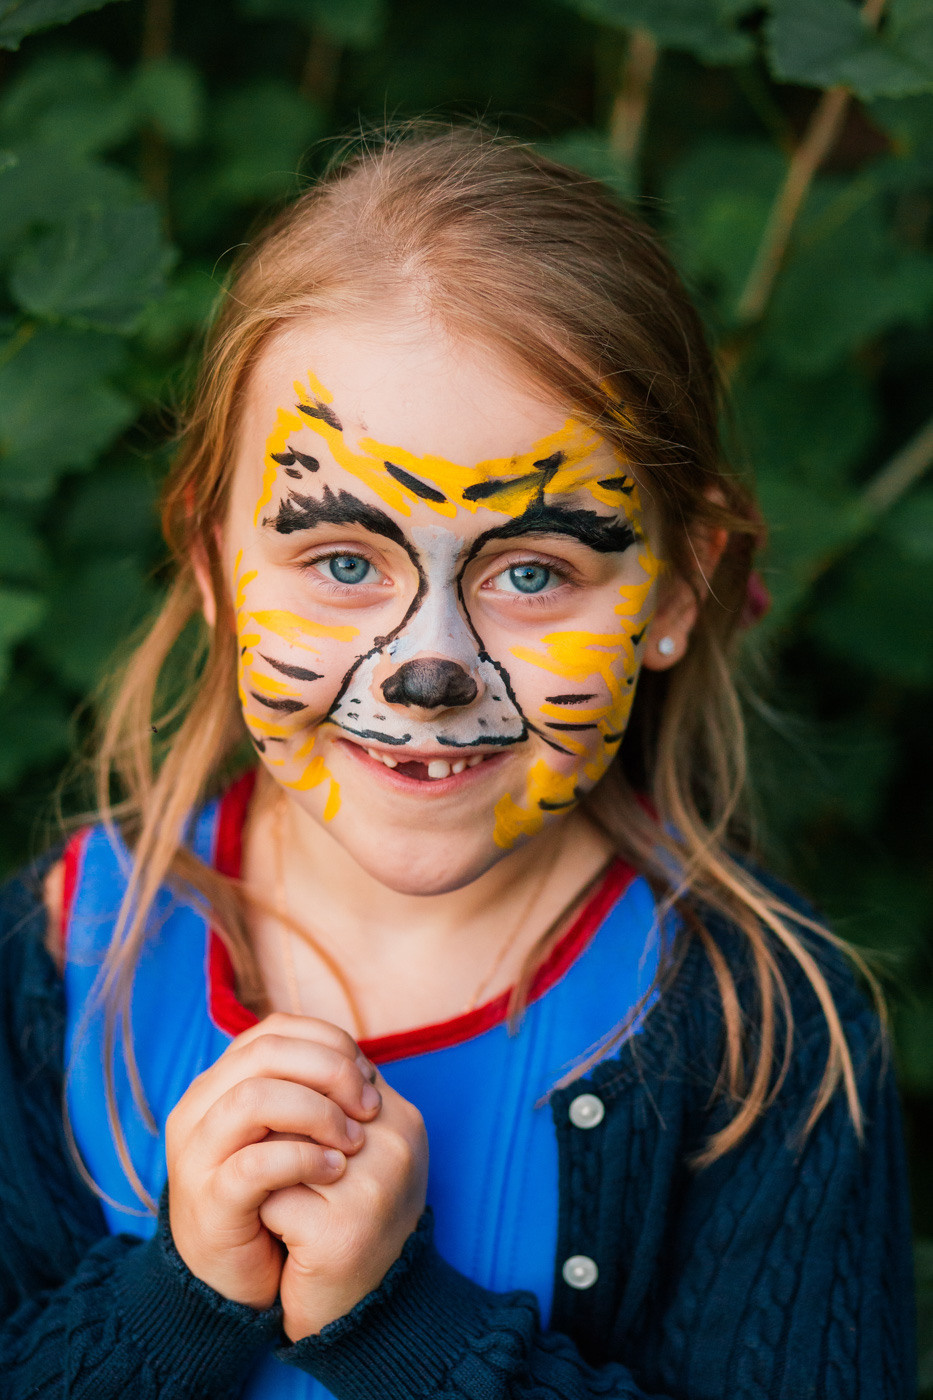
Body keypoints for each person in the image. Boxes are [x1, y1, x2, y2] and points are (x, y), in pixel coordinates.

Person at [0, 125, 916, 1399]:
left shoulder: (765, 1034)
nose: (427, 670)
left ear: (677, 589)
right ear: (213, 563)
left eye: (533, 572)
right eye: (342, 561)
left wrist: (405, 1328)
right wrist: (179, 1295)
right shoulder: (62, 962)